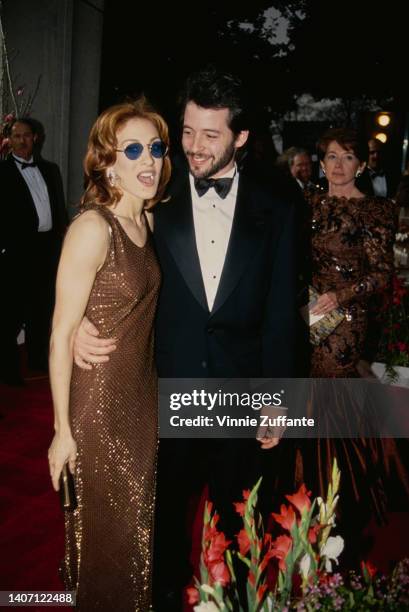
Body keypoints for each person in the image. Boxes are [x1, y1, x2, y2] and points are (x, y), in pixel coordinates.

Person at [73, 67, 297, 610]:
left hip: (240, 395)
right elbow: (91, 225)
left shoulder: (281, 199)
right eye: (188, 131)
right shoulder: (156, 183)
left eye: (210, 135)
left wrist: (280, 396)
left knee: (242, 530)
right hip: (159, 392)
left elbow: (283, 309)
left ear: (240, 138)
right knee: (163, 533)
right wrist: (75, 314)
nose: (192, 148)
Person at [47, 98, 171, 610]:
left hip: (141, 396)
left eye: (157, 148)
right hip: (98, 405)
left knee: (136, 526)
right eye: (134, 149)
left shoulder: (150, 224)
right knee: (108, 531)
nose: (149, 160)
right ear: (107, 161)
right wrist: (62, 431)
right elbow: (59, 335)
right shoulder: (92, 228)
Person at [297, 127, 406, 566]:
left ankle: (340, 496)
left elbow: (382, 273)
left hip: (346, 318)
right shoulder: (307, 203)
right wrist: (303, 298)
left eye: (346, 157)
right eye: (330, 156)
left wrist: (339, 298)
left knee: (331, 394)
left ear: (361, 163)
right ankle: (305, 493)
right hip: (304, 312)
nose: (336, 164)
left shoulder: (379, 210)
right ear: (321, 162)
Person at [0, 118, 67, 384]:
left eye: (27, 135)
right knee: (10, 313)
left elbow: (58, 208)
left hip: (47, 248)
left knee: (42, 308)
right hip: (16, 252)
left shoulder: (51, 170)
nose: (22, 140)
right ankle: (8, 371)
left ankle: (39, 360)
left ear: (36, 137)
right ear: (9, 140)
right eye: (17, 136)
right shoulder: (2, 172)